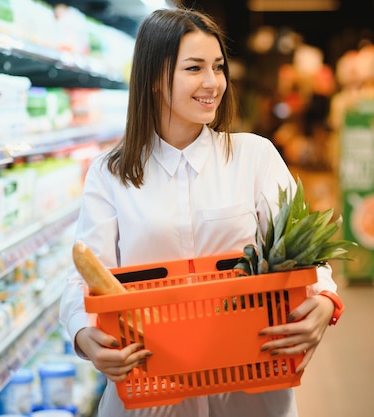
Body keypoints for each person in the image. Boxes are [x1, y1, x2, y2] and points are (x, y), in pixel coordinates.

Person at [59, 7, 341, 417]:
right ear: (155, 78)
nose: (213, 83)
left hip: (253, 389)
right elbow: (82, 275)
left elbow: (307, 257)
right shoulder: (111, 173)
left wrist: (326, 302)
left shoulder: (254, 157)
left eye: (218, 67)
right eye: (194, 68)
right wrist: (85, 335)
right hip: (151, 391)